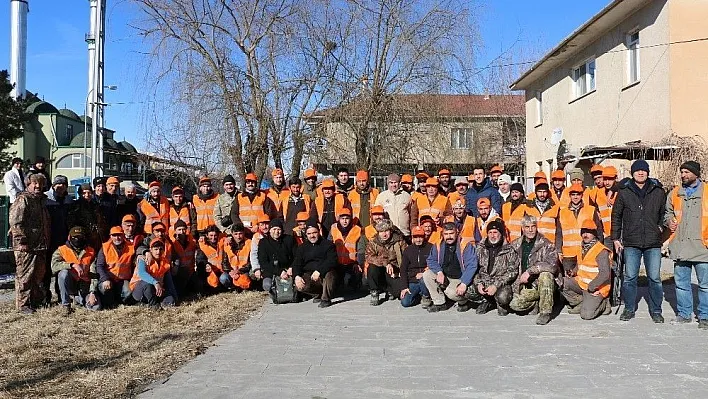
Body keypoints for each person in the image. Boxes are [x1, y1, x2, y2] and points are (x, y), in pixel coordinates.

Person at [612, 159, 665, 323]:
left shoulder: (658, 191)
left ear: (647, 172)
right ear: (632, 173)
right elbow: (616, 216)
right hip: (631, 241)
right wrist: (615, 238)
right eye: (637, 170)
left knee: (655, 278)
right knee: (630, 278)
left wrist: (660, 228)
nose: (641, 173)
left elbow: (664, 214)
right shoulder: (625, 191)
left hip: (653, 242)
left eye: (643, 170)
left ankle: (656, 310)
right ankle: (629, 309)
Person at [664, 160, 708, 328]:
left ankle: (705, 317)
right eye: (681, 172)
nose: (683, 175)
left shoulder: (707, 192)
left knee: (705, 286)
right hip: (680, 246)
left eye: (687, 172)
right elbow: (667, 213)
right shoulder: (675, 193)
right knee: (681, 284)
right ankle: (684, 314)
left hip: (703, 247)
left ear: (696, 174)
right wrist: (669, 221)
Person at [10, 173, 51, 313]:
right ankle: (23, 305)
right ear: (28, 184)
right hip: (26, 246)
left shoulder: (41, 201)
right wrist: (21, 241)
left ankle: (34, 301)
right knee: (25, 275)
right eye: (35, 183)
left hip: (40, 245)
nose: (38, 186)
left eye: (40, 183)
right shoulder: (23, 199)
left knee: (37, 275)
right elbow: (16, 222)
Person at [509, 215, 558, 325]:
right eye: (527, 227)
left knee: (546, 274)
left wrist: (530, 271)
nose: (530, 230)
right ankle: (536, 303)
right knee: (513, 303)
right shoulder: (515, 245)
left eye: (533, 226)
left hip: (543, 285)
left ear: (537, 227)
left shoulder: (546, 244)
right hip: (526, 287)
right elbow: (511, 267)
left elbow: (553, 266)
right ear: (522, 228)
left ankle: (545, 312)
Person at [559, 219, 612, 319]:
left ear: (594, 234)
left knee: (586, 315)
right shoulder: (582, 247)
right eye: (583, 232)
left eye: (589, 232)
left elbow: (605, 274)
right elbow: (581, 265)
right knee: (561, 282)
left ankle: (604, 304)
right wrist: (573, 272)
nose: (585, 235)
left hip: (596, 288)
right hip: (582, 284)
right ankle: (582, 303)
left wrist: (592, 286)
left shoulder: (601, 251)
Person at [422, 222, 478, 312]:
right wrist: (439, 272)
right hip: (444, 275)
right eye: (446, 234)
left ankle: (464, 302)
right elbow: (431, 260)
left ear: (457, 232)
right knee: (427, 274)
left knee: (451, 293)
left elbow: (472, 265)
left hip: (459, 278)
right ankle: (440, 303)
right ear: (442, 234)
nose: (449, 237)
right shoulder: (438, 244)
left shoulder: (465, 245)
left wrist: (464, 283)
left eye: (451, 233)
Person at [470, 220, 519, 315]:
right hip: (484, 281)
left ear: (501, 233)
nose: (493, 235)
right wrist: (479, 283)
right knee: (467, 291)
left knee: (503, 297)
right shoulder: (480, 248)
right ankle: (486, 301)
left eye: (495, 232)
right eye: (490, 232)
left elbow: (512, 271)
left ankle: (499, 303)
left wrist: (496, 285)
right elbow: (474, 268)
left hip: (500, 283)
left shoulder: (509, 250)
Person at [557, 183, 603, 277]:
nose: (575, 197)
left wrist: (598, 249)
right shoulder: (562, 212)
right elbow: (559, 233)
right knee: (569, 279)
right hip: (568, 255)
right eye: (573, 194)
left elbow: (598, 231)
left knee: (585, 277)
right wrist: (558, 250)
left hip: (586, 252)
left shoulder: (590, 210)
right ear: (569, 196)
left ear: (582, 195)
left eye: (578, 194)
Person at [52, 226, 100, 315]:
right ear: (69, 237)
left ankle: (77, 299)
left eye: (80, 237)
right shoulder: (61, 250)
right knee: (63, 273)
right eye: (75, 237)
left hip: (84, 286)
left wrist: (92, 292)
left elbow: (94, 274)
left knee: (95, 307)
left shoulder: (91, 251)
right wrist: (71, 265)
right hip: (70, 285)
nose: (77, 239)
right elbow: (54, 266)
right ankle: (66, 304)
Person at [292, 224, 339, 308]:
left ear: (319, 232)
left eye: (314, 233)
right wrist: (296, 276)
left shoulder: (328, 245)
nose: (312, 236)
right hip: (310, 275)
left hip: (324, 275)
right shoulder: (302, 248)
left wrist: (319, 271)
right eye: (309, 234)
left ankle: (326, 299)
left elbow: (332, 261)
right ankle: (318, 294)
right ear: (306, 234)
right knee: (299, 285)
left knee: (329, 274)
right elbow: (297, 263)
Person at [45, 175, 74, 303]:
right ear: (53, 185)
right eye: (58, 184)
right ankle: (46, 296)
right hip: (49, 238)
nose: (61, 187)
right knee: (46, 270)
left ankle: (60, 293)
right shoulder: (46, 198)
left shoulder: (68, 199)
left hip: (64, 240)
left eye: (63, 185)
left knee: (61, 268)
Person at [365, 220, 407, 305]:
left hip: (394, 271)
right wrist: (386, 263)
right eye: (381, 231)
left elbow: (407, 257)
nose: (384, 234)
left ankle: (389, 290)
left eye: (386, 231)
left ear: (391, 231)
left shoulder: (399, 241)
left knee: (399, 293)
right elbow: (369, 257)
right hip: (379, 270)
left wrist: (401, 272)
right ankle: (374, 291)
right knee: (372, 268)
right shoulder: (373, 242)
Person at [130, 238, 178, 308]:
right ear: (150, 250)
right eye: (155, 249)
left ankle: (159, 303)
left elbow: (169, 282)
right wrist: (155, 282)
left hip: (156, 290)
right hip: (139, 290)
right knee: (147, 284)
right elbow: (142, 273)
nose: (158, 252)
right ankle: (153, 305)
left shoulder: (165, 262)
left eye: (160, 249)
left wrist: (175, 297)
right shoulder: (143, 259)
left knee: (170, 300)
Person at [96, 226, 136, 308]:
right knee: (105, 289)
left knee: (129, 292)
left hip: (123, 280)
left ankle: (120, 301)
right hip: (108, 279)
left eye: (119, 235)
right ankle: (110, 303)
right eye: (114, 235)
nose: (117, 238)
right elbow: (99, 266)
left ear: (123, 235)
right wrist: (105, 279)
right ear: (110, 236)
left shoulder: (131, 247)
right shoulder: (105, 247)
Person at [257, 218, 296, 294]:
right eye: (274, 229)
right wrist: (279, 272)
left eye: (279, 229)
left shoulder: (289, 240)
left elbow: (297, 256)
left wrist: (292, 267)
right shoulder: (263, 243)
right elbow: (263, 263)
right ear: (270, 230)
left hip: (289, 269)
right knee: (267, 285)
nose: (276, 232)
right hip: (272, 270)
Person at [329, 209, 365, 291]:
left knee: (355, 283)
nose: (344, 221)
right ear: (339, 219)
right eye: (342, 218)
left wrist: (358, 263)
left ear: (350, 219)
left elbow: (360, 250)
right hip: (337, 263)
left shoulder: (357, 230)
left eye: (347, 218)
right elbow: (329, 247)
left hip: (352, 263)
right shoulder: (333, 228)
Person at [399, 226, 432, 308]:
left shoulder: (431, 247)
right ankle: (418, 296)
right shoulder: (408, 250)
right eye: (416, 237)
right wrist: (404, 287)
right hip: (413, 281)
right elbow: (403, 269)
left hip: (426, 280)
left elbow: (434, 264)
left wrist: (424, 273)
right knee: (405, 302)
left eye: (420, 237)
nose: (418, 239)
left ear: (424, 236)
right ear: (412, 238)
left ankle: (426, 296)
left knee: (423, 279)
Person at [67, 183, 106, 250]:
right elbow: (71, 223)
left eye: (89, 192)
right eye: (84, 193)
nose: (87, 195)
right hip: (82, 236)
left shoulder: (96, 205)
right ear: (80, 194)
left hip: (96, 237)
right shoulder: (75, 206)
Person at [171, 220, 201, 298]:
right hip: (179, 272)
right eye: (179, 229)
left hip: (191, 271)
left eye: (184, 229)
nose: (182, 232)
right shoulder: (172, 243)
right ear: (175, 231)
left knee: (199, 287)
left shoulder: (192, 242)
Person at [375, 173, 412, 238]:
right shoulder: (381, 196)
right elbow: (376, 214)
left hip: (404, 233)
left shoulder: (407, 196)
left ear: (399, 183)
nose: (393, 185)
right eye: (391, 183)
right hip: (389, 233)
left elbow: (411, 213)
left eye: (395, 182)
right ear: (387, 184)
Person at [195, 225, 228, 292]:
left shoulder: (223, 242)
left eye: (215, 235)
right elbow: (200, 260)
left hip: (223, 271)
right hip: (210, 272)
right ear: (206, 235)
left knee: (224, 278)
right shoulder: (202, 245)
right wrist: (206, 264)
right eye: (211, 235)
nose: (213, 238)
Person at [223, 223, 254, 291]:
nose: (238, 236)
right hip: (231, 272)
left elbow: (251, 261)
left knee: (248, 278)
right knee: (223, 278)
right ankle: (232, 287)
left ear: (244, 233)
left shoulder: (249, 243)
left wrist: (239, 271)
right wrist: (230, 272)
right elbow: (224, 262)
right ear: (232, 234)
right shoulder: (227, 244)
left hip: (244, 270)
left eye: (240, 233)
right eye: (236, 234)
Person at [596, 166, 619, 247]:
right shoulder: (599, 194)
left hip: (620, 235)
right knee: (608, 259)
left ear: (616, 178)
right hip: (607, 236)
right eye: (605, 179)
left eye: (610, 179)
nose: (607, 182)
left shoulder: (622, 193)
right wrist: (602, 233)